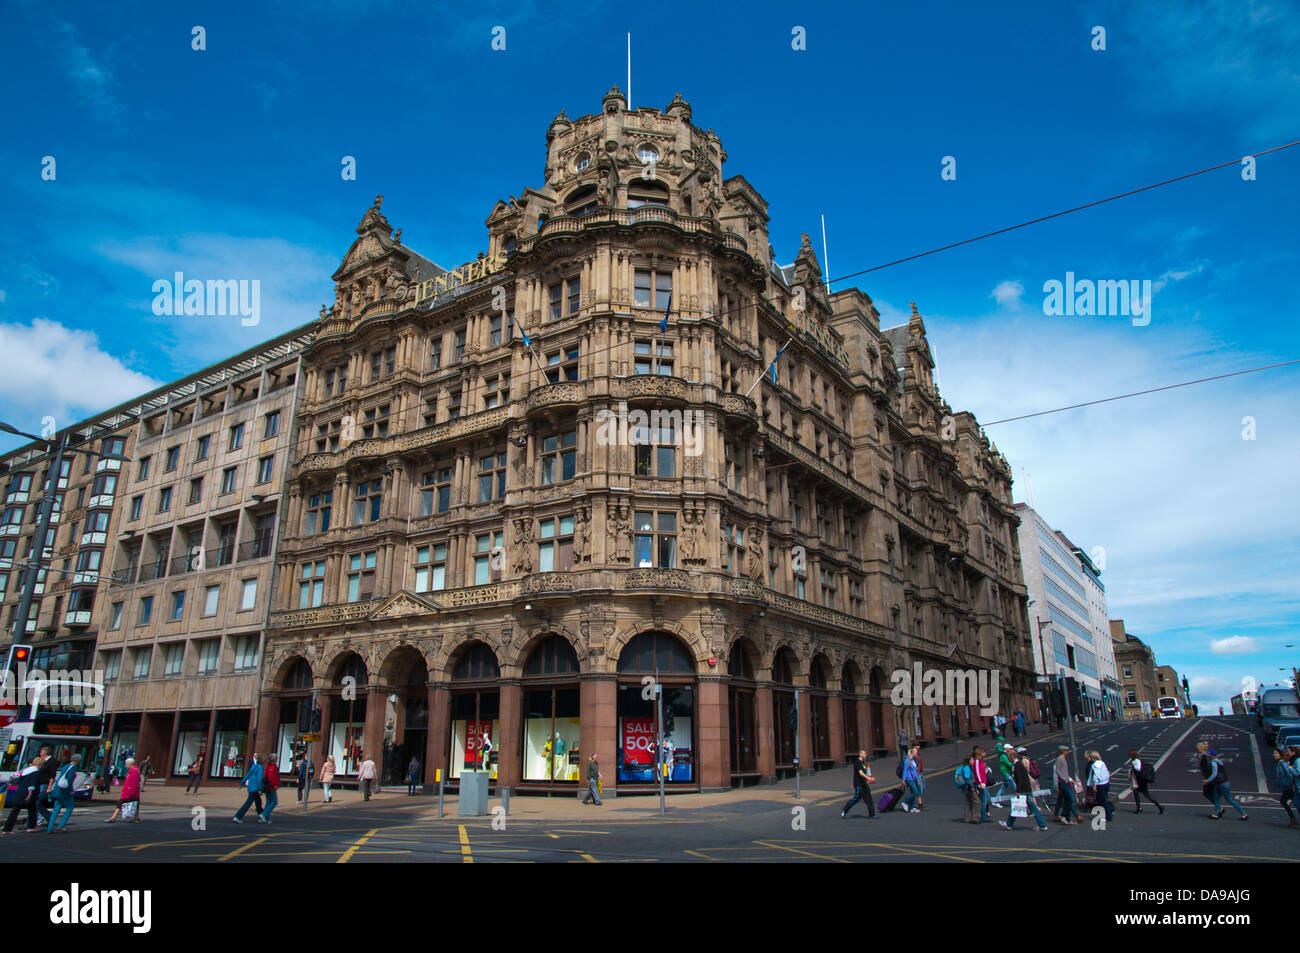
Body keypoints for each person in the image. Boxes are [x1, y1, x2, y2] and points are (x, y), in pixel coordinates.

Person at [1000, 748, 1049, 831]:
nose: (1008, 758)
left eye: (1008, 756)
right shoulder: (1019, 764)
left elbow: (1020, 779)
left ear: (1012, 756)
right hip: (1027, 789)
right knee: (1032, 807)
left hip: (1023, 790)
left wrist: (1018, 791)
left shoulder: (1017, 765)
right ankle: (1042, 825)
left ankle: (1009, 824)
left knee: (1016, 806)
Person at [2, 757, 45, 834]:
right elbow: (32, 784)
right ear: (40, 764)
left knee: (15, 811)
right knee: (32, 811)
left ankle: (7, 829)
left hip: (19, 792)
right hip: (28, 793)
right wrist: (29, 795)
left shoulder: (25, 770)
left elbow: (16, 779)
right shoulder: (36, 772)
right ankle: (31, 827)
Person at [1204, 748, 1248, 820]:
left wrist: (1208, 780)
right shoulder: (1219, 761)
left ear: (1212, 756)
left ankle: (1244, 813)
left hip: (1221, 783)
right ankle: (1215, 814)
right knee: (1216, 798)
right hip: (1222, 783)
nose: (1208, 756)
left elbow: (1215, 774)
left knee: (1229, 799)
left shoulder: (1213, 763)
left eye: (1209, 755)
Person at [47, 754, 80, 833]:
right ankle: (61, 825)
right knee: (70, 807)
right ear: (78, 761)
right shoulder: (73, 767)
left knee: (56, 809)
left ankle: (50, 827)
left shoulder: (66, 766)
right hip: (65, 791)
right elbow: (69, 780)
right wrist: (71, 790)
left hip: (58, 790)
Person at [1124, 748, 1164, 814]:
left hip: (1139, 782)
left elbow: (1137, 769)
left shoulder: (1135, 761)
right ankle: (1139, 809)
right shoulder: (1138, 760)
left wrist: (1133, 767)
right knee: (1137, 794)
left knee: (1146, 795)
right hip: (1139, 781)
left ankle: (1159, 807)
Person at [842, 749, 876, 819]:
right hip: (859, 785)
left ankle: (872, 814)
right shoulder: (857, 762)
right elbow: (861, 773)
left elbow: (863, 773)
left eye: (866, 753)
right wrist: (868, 778)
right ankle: (844, 810)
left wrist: (867, 780)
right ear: (860, 754)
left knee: (869, 799)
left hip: (864, 784)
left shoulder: (862, 762)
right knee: (856, 799)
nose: (866, 755)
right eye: (864, 753)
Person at [105, 757, 141, 823]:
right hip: (130, 791)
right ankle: (136, 817)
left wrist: (131, 791)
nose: (126, 765)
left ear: (130, 764)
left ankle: (114, 817)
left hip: (129, 791)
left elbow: (134, 782)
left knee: (125, 803)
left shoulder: (134, 771)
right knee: (133, 803)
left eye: (126, 764)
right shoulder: (133, 770)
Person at [232, 754, 264, 823]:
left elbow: (247, 775)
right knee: (249, 802)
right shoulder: (260, 767)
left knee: (258, 802)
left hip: (251, 786)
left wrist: (242, 783)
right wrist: (260, 788)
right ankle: (238, 816)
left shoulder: (253, 766)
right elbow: (259, 778)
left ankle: (262, 816)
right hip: (255, 787)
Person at [1053, 746, 1080, 824]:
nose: (1068, 752)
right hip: (1063, 783)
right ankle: (1063, 815)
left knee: (1066, 800)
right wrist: (1064, 779)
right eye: (1067, 751)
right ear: (1063, 751)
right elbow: (1057, 771)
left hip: (1066, 782)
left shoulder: (1062, 758)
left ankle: (1067, 819)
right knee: (1071, 800)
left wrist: (1069, 779)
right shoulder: (1059, 759)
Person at [1085, 750, 1113, 822]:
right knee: (1104, 799)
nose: (1090, 758)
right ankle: (1110, 811)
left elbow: (1096, 776)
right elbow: (1107, 772)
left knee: (1102, 801)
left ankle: (1108, 816)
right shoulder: (1102, 763)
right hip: (1106, 783)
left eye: (1091, 757)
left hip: (1100, 785)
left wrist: (1095, 785)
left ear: (1093, 757)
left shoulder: (1095, 765)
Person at [33, 745, 57, 827]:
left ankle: (30, 823)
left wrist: (50, 786)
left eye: (41, 751)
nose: (40, 752)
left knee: (36, 802)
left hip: (45, 784)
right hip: (40, 784)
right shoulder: (43, 760)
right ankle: (50, 819)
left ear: (45, 752)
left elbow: (52, 775)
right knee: (39, 804)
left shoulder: (52, 761)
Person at [1273, 748, 1298, 826]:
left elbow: (1289, 775)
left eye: (1276, 753)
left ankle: (1293, 819)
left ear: (1280, 755)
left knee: (1287, 801)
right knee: (1294, 802)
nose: (1274, 755)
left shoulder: (1282, 764)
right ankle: (1293, 819)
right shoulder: (1280, 763)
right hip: (1288, 787)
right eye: (1274, 753)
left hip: (1289, 787)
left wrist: (1287, 784)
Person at [971, 745, 992, 821]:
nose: (985, 753)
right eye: (983, 752)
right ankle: (983, 816)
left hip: (983, 783)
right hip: (980, 784)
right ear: (979, 754)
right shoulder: (976, 762)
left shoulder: (981, 761)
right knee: (984, 800)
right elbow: (977, 773)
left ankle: (983, 814)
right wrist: (980, 782)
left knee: (987, 799)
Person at [956, 752, 979, 824]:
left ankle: (967, 818)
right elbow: (967, 778)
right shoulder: (967, 768)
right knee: (977, 802)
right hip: (969, 787)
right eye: (972, 760)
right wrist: (972, 787)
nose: (973, 761)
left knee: (969, 802)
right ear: (969, 761)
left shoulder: (966, 767)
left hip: (966, 787)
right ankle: (975, 818)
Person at [900, 746, 922, 813]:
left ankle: (912, 808)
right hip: (909, 779)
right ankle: (905, 802)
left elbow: (914, 771)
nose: (917, 753)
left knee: (913, 792)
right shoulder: (907, 760)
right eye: (916, 752)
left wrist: (917, 780)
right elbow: (905, 770)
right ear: (912, 753)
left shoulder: (912, 760)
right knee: (915, 792)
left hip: (913, 779)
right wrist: (903, 780)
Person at [260, 755, 281, 823]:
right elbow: (272, 777)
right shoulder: (273, 767)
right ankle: (264, 814)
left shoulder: (268, 766)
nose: (277, 759)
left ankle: (266, 818)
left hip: (268, 786)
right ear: (274, 759)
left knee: (268, 802)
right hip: (271, 787)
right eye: (276, 758)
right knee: (274, 801)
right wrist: (275, 785)